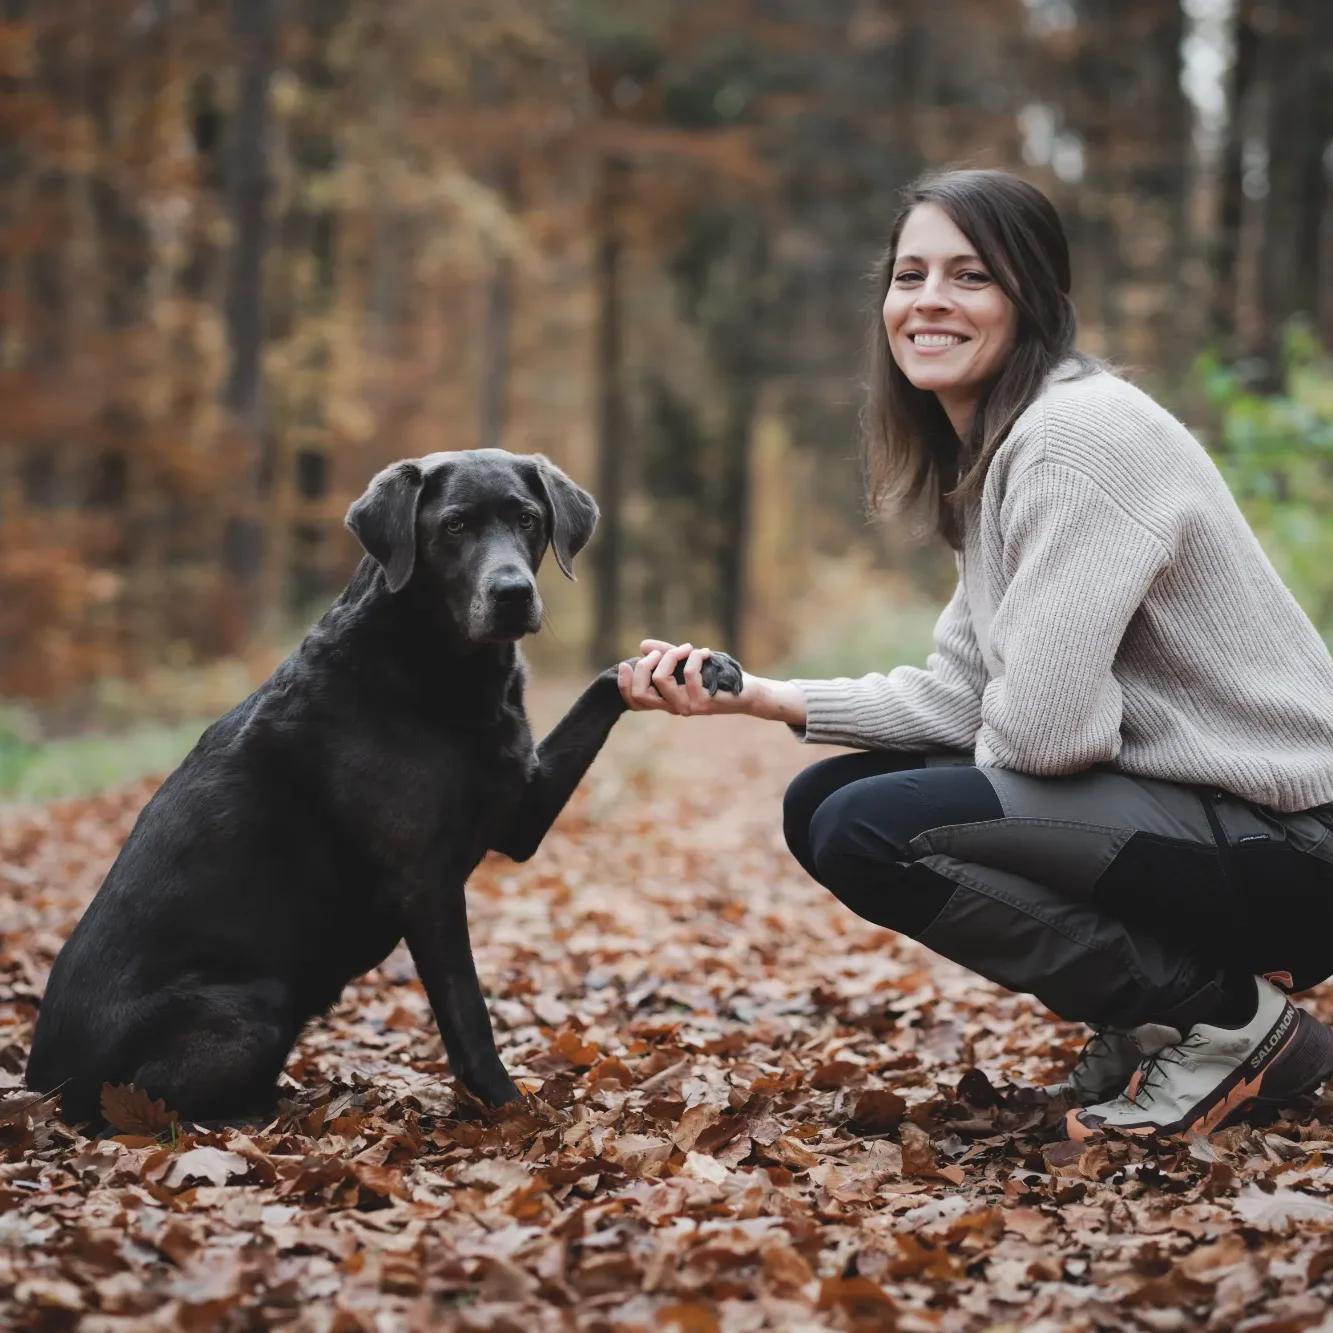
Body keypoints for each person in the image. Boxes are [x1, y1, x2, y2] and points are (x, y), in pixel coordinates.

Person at [616, 168, 1333, 1141]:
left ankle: (1225, 1019)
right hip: (1223, 827)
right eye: (908, 275)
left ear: (1032, 297)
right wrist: (759, 696)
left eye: (970, 276)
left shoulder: (1076, 440)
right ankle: (1161, 1014)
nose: (928, 300)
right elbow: (964, 690)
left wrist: (973, 780)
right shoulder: (1006, 447)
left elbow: (1042, 734)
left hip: (1292, 842)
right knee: (824, 800)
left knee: (872, 826)